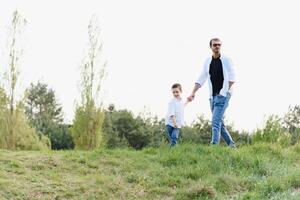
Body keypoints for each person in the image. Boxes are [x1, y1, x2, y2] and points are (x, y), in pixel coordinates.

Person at [187, 38, 236, 147]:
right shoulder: (207, 61)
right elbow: (202, 77)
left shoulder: (226, 59)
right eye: (214, 45)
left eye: (219, 45)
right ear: (211, 47)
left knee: (215, 122)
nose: (217, 46)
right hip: (212, 96)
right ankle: (232, 145)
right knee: (219, 123)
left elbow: (232, 78)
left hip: (223, 95)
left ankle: (214, 146)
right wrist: (193, 92)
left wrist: (223, 92)